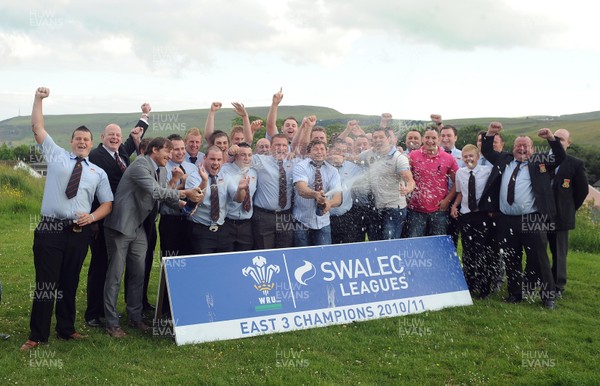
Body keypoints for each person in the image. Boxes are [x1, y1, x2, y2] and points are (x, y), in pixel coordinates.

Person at [21, 87, 114, 351]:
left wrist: (93, 217)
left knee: (69, 281)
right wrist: (39, 99)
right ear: (71, 141)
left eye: (86, 139)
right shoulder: (56, 155)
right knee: (46, 284)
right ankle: (37, 335)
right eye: (78, 138)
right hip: (50, 229)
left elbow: (108, 203)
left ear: (91, 143)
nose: (82, 142)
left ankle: (66, 329)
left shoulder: (98, 172)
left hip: (78, 232)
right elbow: (37, 127)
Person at [103, 137, 203, 338]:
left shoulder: (163, 169)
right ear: (154, 150)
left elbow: (161, 198)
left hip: (139, 227)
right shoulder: (140, 163)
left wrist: (182, 205)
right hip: (121, 227)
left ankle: (135, 317)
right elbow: (156, 191)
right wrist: (185, 194)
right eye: (168, 151)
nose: (171, 156)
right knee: (115, 276)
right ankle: (112, 323)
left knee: (139, 274)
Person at [479, 122, 565, 309]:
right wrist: (491, 133)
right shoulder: (504, 160)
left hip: (532, 218)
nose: (522, 148)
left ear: (533, 149)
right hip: (506, 218)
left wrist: (551, 138)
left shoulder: (540, 163)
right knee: (511, 257)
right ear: (513, 147)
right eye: (519, 145)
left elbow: (560, 156)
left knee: (539, 258)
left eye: (526, 145)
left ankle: (548, 296)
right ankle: (516, 293)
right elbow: (486, 150)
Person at [85, 106, 150, 328]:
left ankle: (110, 310)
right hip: (101, 218)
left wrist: (144, 116)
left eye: (117, 135)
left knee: (113, 264)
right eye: (110, 134)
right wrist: (94, 220)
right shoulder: (96, 155)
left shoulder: (121, 152)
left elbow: (136, 138)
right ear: (102, 137)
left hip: (123, 218)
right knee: (101, 264)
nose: (114, 137)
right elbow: (92, 188)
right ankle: (93, 313)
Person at [547, 129, 589, 297]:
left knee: (558, 252)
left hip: (561, 217)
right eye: (555, 139)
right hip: (540, 215)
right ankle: (540, 281)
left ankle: (557, 286)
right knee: (538, 251)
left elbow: (582, 191)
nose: (558, 142)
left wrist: (569, 208)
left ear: (569, 143)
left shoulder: (575, 164)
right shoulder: (541, 160)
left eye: (562, 140)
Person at [450, 145, 494, 298]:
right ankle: (469, 283)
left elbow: (492, 191)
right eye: (465, 156)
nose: (468, 159)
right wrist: (455, 205)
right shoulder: (460, 173)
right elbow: (461, 193)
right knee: (468, 251)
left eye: (471, 156)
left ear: (477, 157)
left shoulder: (486, 171)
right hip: (466, 215)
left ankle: (484, 286)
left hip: (482, 215)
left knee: (482, 250)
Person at [186, 146, 247, 254]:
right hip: (201, 230)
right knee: (204, 266)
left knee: (224, 265)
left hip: (222, 229)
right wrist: (204, 181)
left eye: (219, 160)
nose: (216, 163)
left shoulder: (225, 176)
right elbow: (196, 201)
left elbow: (238, 199)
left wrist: (241, 189)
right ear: (205, 158)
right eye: (212, 159)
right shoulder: (194, 177)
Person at [359, 128, 415, 240]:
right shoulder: (368, 154)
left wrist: (407, 189)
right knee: (375, 241)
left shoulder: (398, 158)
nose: (377, 140)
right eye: (375, 137)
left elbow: (410, 181)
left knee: (389, 242)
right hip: (377, 206)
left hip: (394, 208)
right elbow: (354, 158)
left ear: (388, 139)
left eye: (381, 137)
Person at [406, 126, 458, 237]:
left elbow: (458, 182)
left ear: (439, 139)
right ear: (423, 139)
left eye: (434, 138)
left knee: (437, 246)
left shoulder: (448, 158)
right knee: (416, 247)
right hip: (416, 210)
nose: (430, 141)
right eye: (427, 137)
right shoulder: (413, 156)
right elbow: (403, 176)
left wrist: (447, 200)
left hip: (439, 211)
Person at [251, 133, 300, 249]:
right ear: (271, 146)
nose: (281, 148)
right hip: (264, 216)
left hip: (285, 215)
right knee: (264, 251)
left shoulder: (294, 162)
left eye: (284, 145)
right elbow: (241, 157)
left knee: (284, 251)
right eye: (277, 145)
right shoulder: (260, 161)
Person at [292, 139, 342, 246]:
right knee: (302, 256)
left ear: (326, 152)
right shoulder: (300, 166)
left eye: (322, 149)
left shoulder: (333, 171)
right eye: (315, 149)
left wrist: (329, 203)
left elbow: (338, 197)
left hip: (323, 223)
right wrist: (315, 195)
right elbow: (301, 189)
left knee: (324, 256)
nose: (319, 152)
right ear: (309, 152)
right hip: (302, 221)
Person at [221, 142, 257, 251]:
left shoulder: (254, 172)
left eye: (249, 155)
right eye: (243, 155)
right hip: (228, 223)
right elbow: (236, 197)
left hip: (246, 224)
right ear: (236, 156)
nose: (247, 158)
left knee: (244, 259)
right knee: (227, 257)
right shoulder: (225, 170)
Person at [327, 138, 363, 244]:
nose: (341, 154)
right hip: (324, 218)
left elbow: (368, 170)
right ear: (329, 150)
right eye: (338, 150)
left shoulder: (352, 167)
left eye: (344, 151)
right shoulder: (322, 165)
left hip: (345, 217)